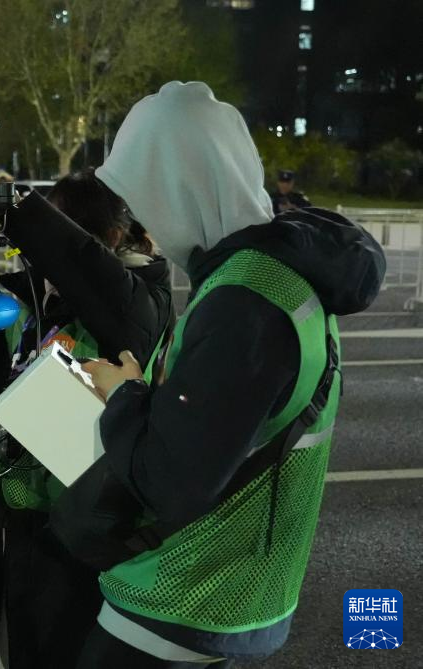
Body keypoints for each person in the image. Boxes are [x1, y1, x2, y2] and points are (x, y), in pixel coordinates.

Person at [69, 81, 383, 667]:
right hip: (234, 589)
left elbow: (168, 480)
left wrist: (123, 393)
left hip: (183, 598)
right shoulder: (281, 272)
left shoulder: (246, 302)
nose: (147, 224)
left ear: (181, 189)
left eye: (147, 199)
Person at [0, 171, 173, 669]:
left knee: (62, 648)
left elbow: (89, 272)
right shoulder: (39, 297)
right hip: (26, 512)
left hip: (82, 522)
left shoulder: (136, 304)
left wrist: (26, 215)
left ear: (113, 238)